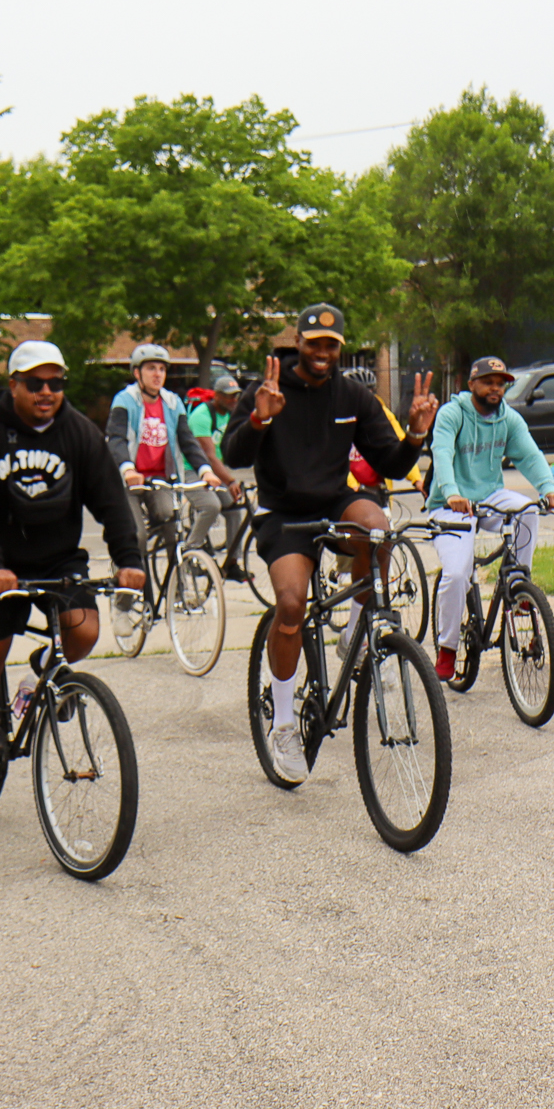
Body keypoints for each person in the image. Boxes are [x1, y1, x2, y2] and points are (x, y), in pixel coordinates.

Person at [222, 304, 440, 786]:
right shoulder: (269, 388)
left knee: (377, 527)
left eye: (331, 345)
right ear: (298, 342)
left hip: (334, 501)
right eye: (313, 343)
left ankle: (359, 627)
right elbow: (231, 454)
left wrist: (418, 434)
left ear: (340, 347)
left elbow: (389, 460)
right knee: (291, 604)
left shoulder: (353, 395)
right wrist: (259, 421)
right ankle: (282, 724)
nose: (322, 352)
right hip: (282, 512)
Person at [0, 341, 147, 817]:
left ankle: (39, 678)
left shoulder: (78, 433)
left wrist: (128, 557)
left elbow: (110, 500)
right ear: (13, 385)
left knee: (83, 631)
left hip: (58, 561)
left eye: (55, 383)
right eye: (35, 383)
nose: (46, 392)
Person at [426, 356, 554, 679]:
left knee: (527, 510)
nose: (495, 389)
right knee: (458, 574)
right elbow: (442, 454)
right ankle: (447, 648)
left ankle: (518, 585)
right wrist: (451, 493)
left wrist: (549, 488)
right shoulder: (452, 414)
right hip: (449, 504)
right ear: (472, 384)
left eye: (501, 383)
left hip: (487, 497)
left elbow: (530, 455)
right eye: (488, 382)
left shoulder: (508, 419)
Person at [105, 343, 223, 553]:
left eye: (161, 369)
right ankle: (138, 583)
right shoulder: (125, 400)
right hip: (128, 480)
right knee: (137, 536)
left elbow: (188, 441)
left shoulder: (172, 402)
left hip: (159, 478)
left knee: (172, 527)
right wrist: (128, 469)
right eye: (151, 368)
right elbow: (116, 439)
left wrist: (205, 471)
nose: (157, 374)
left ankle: (176, 584)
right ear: (137, 373)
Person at [186, 372, 251, 581]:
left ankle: (232, 563)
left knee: (234, 510)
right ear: (217, 396)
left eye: (236, 395)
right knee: (211, 506)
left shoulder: (231, 414)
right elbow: (209, 456)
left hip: (214, 470)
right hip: (192, 468)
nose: (234, 400)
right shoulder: (201, 416)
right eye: (229, 396)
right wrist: (230, 480)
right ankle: (190, 554)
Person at [341, 366, 427, 509]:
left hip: (378, 491)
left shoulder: (381, 414)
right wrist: (353, 486)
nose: (366, 398)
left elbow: (399, 445)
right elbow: (335, 461)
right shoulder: (340, 417)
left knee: (387, 528)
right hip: (348, 493)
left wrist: (417, 479)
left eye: (370, 392)